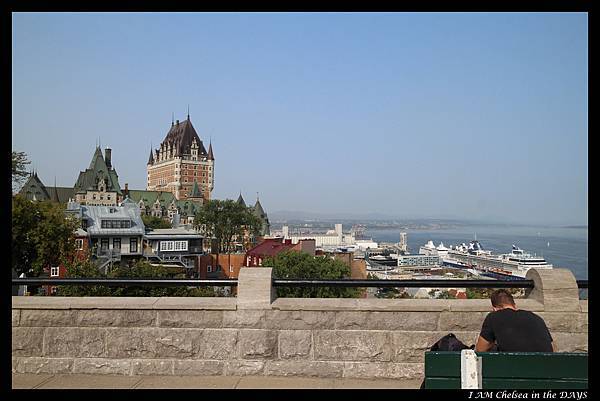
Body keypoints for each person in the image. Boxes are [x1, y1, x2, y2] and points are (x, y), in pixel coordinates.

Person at [475, 289, 556, 352]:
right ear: (514, 305)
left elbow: (480, 349)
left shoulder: (493, 317)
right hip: (546, 368)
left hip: (516, 369)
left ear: (494, 309)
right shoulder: (536, 318)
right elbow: (552, 347)